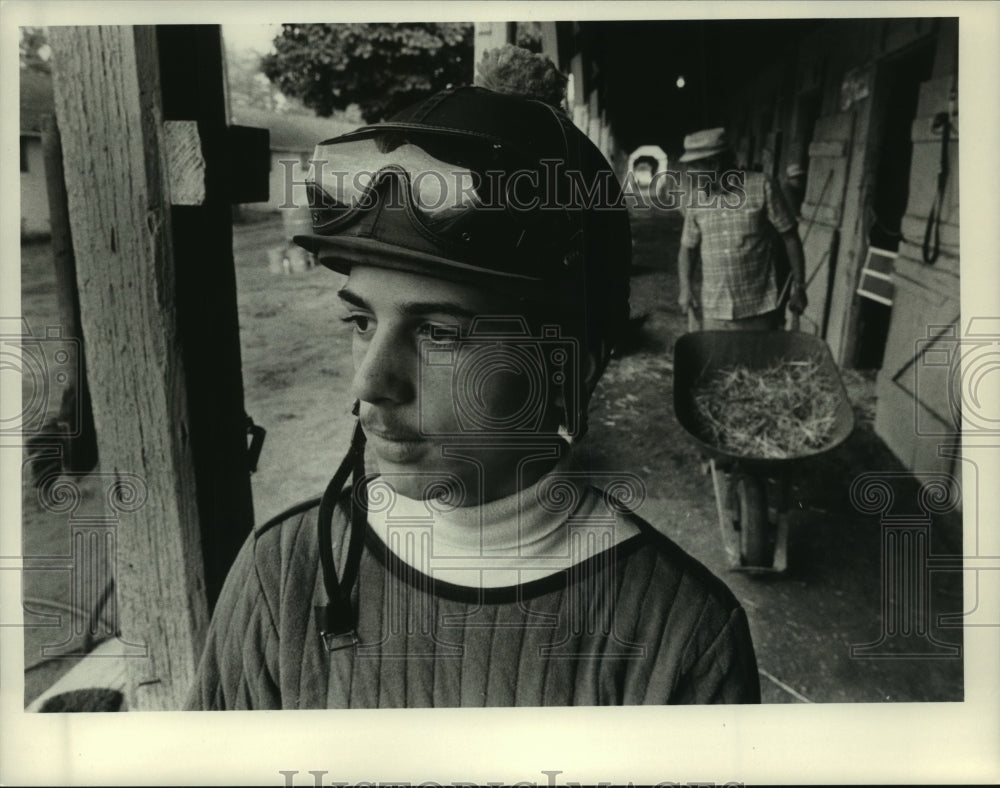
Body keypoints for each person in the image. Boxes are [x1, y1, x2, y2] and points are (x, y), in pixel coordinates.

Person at [186, 58, 760, 710]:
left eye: (440, 334)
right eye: (360, 320)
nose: (371, 383)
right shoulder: (281, 576)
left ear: (573, 364)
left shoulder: (679, 638)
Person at [676, 127, 807, 331]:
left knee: (756, 363)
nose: (690, 174)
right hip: (713, 310)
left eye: (694, 167)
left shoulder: (762, 186)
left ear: (714, 164)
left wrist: (799, 286)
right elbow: (687, 248)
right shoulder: (696, 199)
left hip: (758, 309)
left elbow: (790, 237)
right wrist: (685, 288)